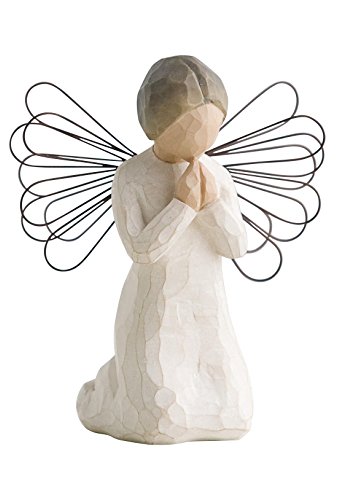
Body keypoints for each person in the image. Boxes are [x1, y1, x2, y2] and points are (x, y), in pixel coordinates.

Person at [76, 55, 253, 444]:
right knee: (159, 422)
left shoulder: (217, 175)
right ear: (157, 125)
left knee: (235, 416)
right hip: (154, 314)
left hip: (207, 312)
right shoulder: (132, 177)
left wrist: (212, 204)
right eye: (189, 130)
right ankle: (109, 390)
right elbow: (141, 250)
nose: (201, 144)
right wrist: (183, 205)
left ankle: (129, 385)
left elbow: (237, 246)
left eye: (211, 131)